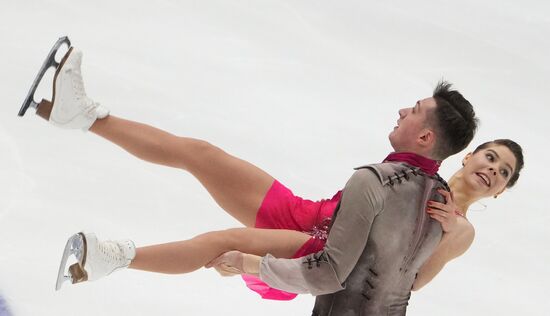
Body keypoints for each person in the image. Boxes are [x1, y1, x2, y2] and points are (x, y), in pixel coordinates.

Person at [25, 48, 481, 313]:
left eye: (415, 109)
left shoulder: (425, 206)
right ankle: (78, 115)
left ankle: (108, 260)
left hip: (316, 253)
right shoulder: (418, 185)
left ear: (425, 135)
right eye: (489, 160)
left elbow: (387, 281)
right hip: (313, 217)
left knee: (223, 242)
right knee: (201, 154)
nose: (403, 109)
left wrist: (251, 264)